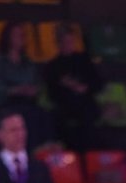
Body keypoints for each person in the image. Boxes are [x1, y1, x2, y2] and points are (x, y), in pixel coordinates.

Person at [0, 22, 51, 151]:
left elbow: (37, 84)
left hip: (29, 102)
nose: (21, 38)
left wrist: (33, 90)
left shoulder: (28, 63)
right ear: (8, 38)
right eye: (17, 35)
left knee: (44, 115)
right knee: (24, 116)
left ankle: (40, 153)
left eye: (23, 35)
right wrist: (15, 90)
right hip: (8, 104)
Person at [44, 22, 102, 152]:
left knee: (88, 118)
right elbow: (52, 94)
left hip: (86, 103)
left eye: (70, 41)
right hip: (64, 105)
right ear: (58, 43)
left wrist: (84, 88)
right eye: (65, 41)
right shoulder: (52, 66)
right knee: (57, 119)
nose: (68, 45)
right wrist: (66, 86)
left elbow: (97, 84)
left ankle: (89, 154)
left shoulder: (84, 61)